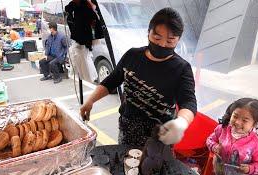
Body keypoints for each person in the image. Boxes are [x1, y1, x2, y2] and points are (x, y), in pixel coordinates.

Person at [80, 8, 197, 147]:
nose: (162, 44)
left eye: (170, 41)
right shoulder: (132, 56)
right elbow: (112, 80)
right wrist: (90, 100)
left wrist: (181, 123)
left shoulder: (182, 68)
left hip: (160, 134)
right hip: (128, 128)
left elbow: (189, 102)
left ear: (178, 40)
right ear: (148, 32)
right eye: (157, 38)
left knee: (153, 167)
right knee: (126, 164)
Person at [206, 98, 258, 175]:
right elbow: (210, 140)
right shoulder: (223, 129)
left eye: (244, 120)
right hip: (218, 174)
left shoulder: (257, 143)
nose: (237, 122)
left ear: (255, 124)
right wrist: (214, 146)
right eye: (235, 116)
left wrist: (250, 169)